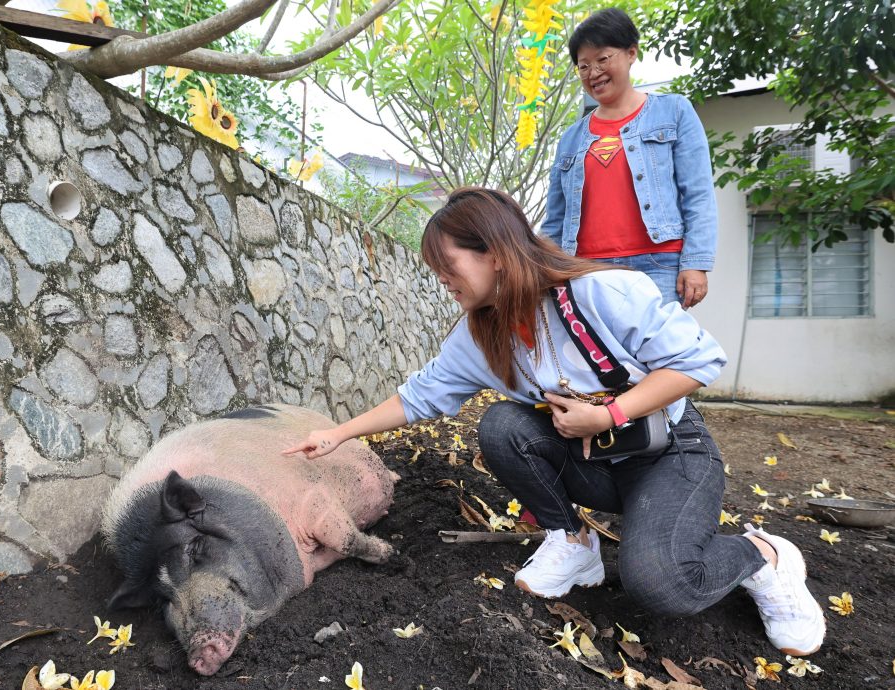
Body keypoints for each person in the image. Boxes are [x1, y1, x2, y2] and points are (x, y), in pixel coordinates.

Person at [283, 188, 824, 657]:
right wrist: (337, 433)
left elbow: (699, 362)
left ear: (493, 253)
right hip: (597, 461)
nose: (442, 281)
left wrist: (608, 412)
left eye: (448, 266)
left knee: (663, 585)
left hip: (671, 454)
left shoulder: (601, 292)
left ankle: (765, 555)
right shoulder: (480, 334)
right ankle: (571, 542)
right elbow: (421, 396)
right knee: (502, 427)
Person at [539, 8, 717, 309]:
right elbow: (555, 219)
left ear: (631, 53)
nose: (593, 72)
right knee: (593, 357)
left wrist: (695, 262)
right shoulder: (570, 138)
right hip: (586, 271)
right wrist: (542, 272)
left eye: (603, 59)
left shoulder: (673, 112)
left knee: (660, 356)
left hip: (659, 265)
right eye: (583, 66)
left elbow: (698, 194)